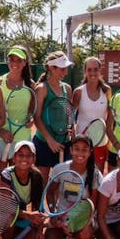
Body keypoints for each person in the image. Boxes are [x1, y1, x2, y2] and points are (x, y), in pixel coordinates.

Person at [42, 134, 100, 239]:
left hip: (82, 219)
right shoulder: (59, 169)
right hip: (60, 218)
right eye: (76, 149)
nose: (80, 153)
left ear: (90, 152)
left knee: (85, 234)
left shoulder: (95, 174)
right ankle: (63, 236)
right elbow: (50, 193)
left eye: (84, 150)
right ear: (71, 151)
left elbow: (93, 205)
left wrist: (75, 222)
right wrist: (53, 214)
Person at [0, 140, 45, 239]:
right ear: (14, 158)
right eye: (20, 155)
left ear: (34, 159)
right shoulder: (6, 175)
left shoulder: (37, 176)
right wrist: (27, 215)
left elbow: (39, 207)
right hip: (4, 218)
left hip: (22, 219)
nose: (24, 158)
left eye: (28, 155)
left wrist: (39, 226)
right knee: (10, 219)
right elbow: (6, 207)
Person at [32, 51, 73, 182]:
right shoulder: (42, 88)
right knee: (42, 183)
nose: (65, 72)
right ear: (51, 68)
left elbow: (68, 113)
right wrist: (50, 140)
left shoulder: (68, 88)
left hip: (63, 143)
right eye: (62, 69)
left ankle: (52, 204)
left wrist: (71, 129)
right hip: (45, 143)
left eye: (66, 69)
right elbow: (37, 117)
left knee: (57, 185)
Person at [0, 44, 35, 171]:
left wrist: (30, 118)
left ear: (25, 63)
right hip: (1, 137)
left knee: (18, 176)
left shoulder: (31, 85)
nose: (14, 63)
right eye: (11, 59)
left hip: (22, 137)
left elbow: (31, 110)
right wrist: (1, 131)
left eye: (19, 60)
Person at [70, 56, 112, 173]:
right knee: (79, 175)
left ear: (100, 71)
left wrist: (108, 135)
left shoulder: (107, 91)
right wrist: (73, 135)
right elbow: (71, 117)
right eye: (89, 69)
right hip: (81, 143)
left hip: (101, 142)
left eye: (95, 69)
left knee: (97, 176)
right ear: (85, 72)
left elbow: (109, 118)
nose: (92, 73)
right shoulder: (78, 92)